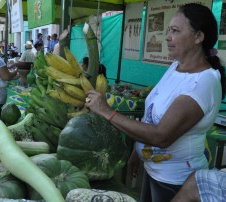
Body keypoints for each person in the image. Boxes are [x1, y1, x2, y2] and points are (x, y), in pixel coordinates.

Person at [85, 3, 225, 202]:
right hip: (153, 171)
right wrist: (137, 151)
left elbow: (161, 136)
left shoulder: (203, 82)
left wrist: (107, 112)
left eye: (175, 31)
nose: (167, 36)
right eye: (168, 30)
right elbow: (151, 114)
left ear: (198, 37)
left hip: (176, 182)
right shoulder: (175, 67)